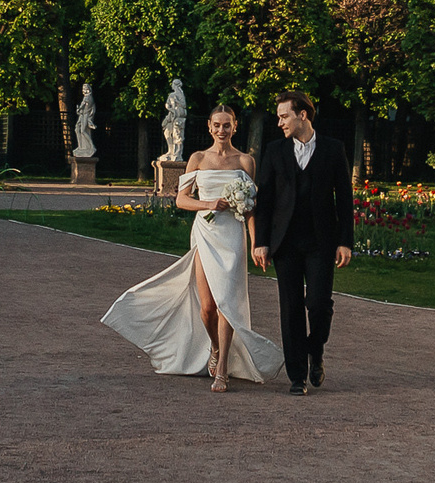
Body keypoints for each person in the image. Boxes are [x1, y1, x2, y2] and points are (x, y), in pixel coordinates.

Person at [100, 104, 286, 392]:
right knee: (208, 307)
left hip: (233, 236)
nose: (222, 130)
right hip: (205, 233)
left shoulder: (246, 161)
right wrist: (209, 204)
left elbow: (250, 208)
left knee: (227, 303)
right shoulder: (198, 158)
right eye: (217, 125)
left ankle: (222, 367)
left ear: (235, 127)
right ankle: (214, 346)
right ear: (209, 127)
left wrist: (255, 244)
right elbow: (181, 200)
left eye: (227, 125)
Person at [251, 91, 353, 397]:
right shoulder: (274, 150)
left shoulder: (334, 150)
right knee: (291, 307)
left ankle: (315, 350)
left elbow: (345, 199)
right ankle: (297, 376)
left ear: (302, 115)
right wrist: (261, 242)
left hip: (322, 242)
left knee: (318, 304)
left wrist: (346, 241)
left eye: (284, 116)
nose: (280, 122)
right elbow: (265, 200)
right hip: (285, 243)